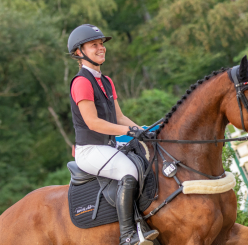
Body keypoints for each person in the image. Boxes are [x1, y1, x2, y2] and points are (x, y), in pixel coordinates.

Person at [67, 24, 159, 245]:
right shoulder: (81, 82)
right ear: (79, 52)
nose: (101, 48)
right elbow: (93, 122)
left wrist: (142, 130)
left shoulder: (106, 81)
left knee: (147, 162)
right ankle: (127, 234)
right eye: (94, 45)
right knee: (129, 170)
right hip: (90, 150)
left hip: (108, 146)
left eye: (101, 44)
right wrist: (129, 132)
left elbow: (119, 117)